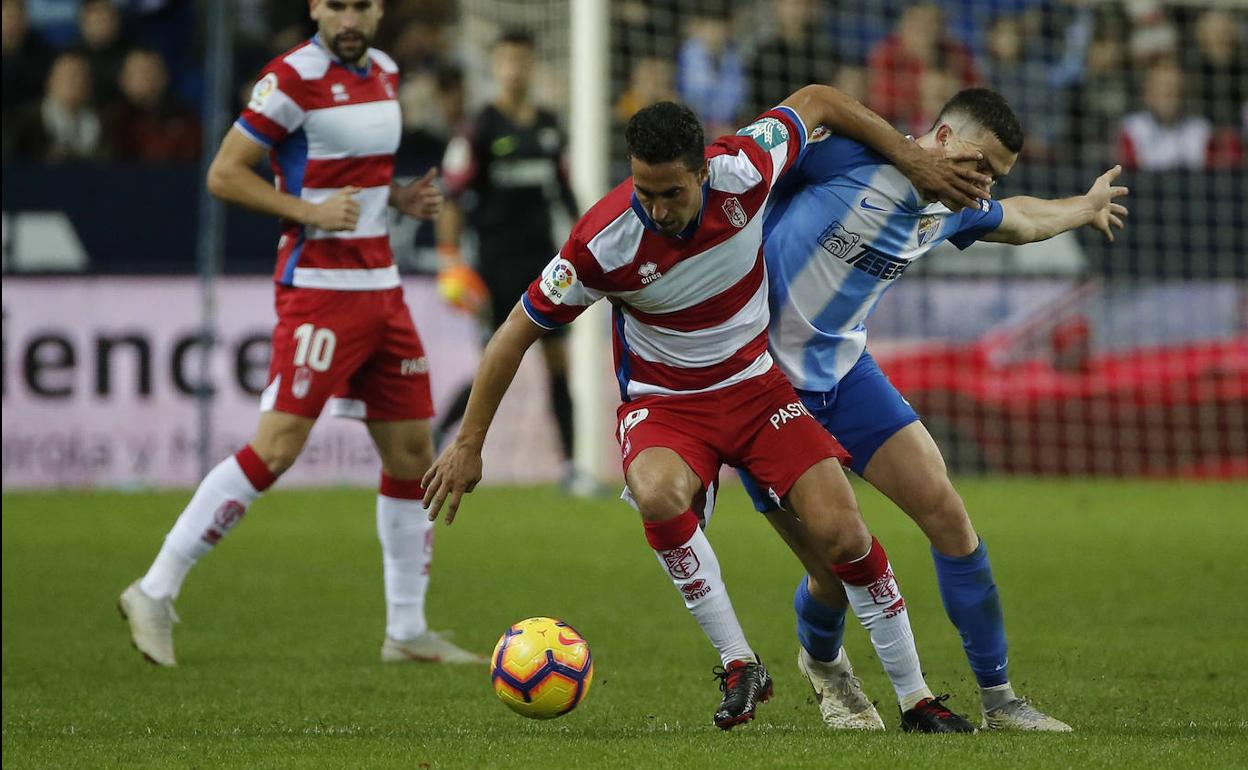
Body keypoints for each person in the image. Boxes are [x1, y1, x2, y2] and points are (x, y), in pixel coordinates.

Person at [421, 85, 994, 731]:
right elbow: (511, 337)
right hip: (668, 406)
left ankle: (917, 700)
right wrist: (469, 444)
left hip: (757, 390)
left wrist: (912, 159)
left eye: (673, 193)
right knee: (657, 492)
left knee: (844, 534)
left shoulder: (745, 167)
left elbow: (819, 100)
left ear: (704, 171)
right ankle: (738, 662)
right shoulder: (600, 244)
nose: (658, 210)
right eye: (645, 193)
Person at [743, 87, 1129, 731]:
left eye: (994, 176)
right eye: (979, 165)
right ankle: (826, 667)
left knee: (949, 515)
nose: (983, 185)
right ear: (943, 138)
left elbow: (1020, 219)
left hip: (845, 372)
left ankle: (1001, 702)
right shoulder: (842, 159)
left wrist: (1082, 208)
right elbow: (805, 111)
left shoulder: (952, 210)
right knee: (835, 575)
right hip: (765, 390)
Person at [118, 0, 484, 668]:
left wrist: (395, 197)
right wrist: (307, 210)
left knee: (409, 454)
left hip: (383, 290)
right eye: (336, 5)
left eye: (362, 6)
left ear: (379, 12)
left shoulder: (387, 73)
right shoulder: (289, 79)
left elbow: (358, 172)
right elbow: (223, 174)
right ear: (315, 7)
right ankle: (153, 589)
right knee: (277, 448)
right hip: (319, 291)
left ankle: (405, 630)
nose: (349, 18)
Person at [433, 29, 594, 495]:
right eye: (506, 61)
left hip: (546, 265)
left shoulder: (548, 125)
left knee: (559, 363)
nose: (514, 69)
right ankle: (438, 438)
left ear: (532, 65)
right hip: (496, 266)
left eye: (522, 60)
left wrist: (590, 242)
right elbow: (450, 198)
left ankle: (571, 469)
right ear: (495, 66)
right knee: (494, 361)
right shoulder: (479, 128)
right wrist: (450, 262)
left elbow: (565, 192)